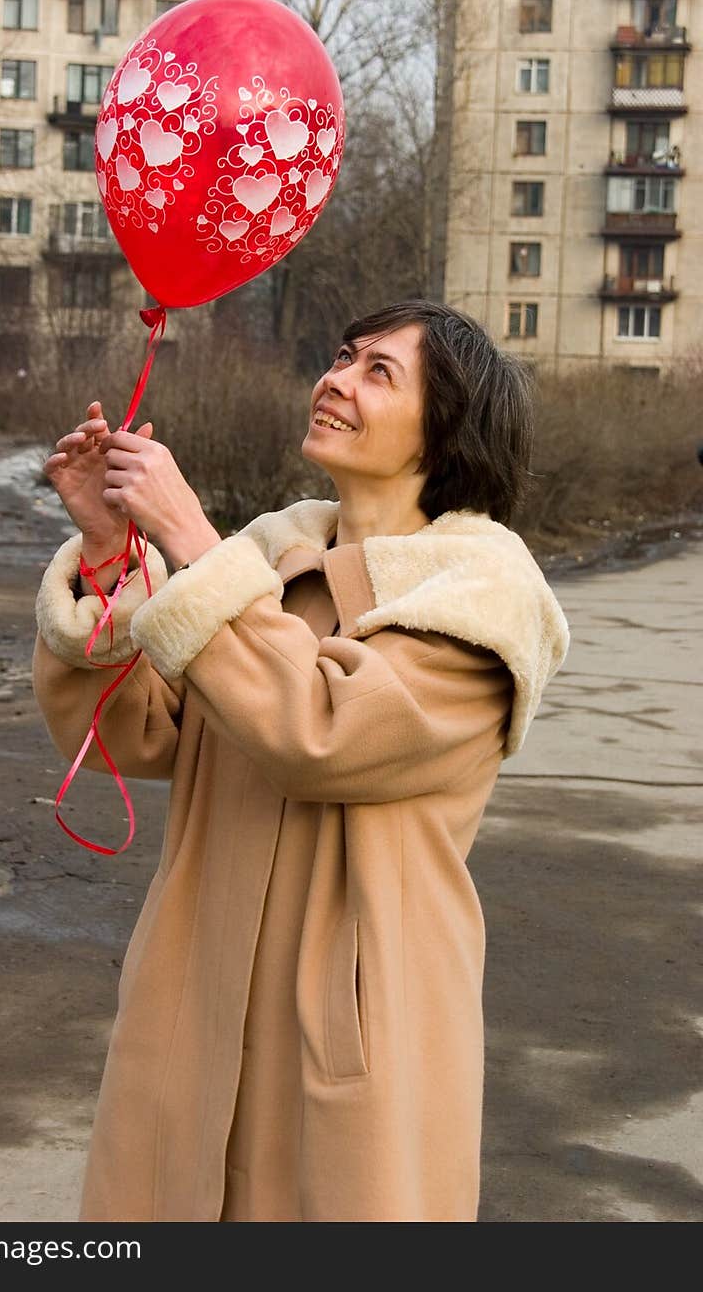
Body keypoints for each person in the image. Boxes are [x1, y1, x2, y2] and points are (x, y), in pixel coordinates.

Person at [32, 298, 571, 1223]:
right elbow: (143, 734)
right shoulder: (271, 556)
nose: (336, 380)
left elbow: (320, 735)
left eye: (379, 372)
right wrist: (111, 552)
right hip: (191, 1005)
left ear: (447, 431)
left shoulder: (484, 600)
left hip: (352, 1033)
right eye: (340, 356)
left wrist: (195, 547)